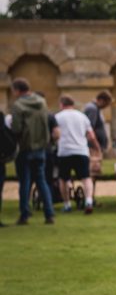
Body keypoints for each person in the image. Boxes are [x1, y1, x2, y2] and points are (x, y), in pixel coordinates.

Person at [9, 77, 55, 225]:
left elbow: (16, 128)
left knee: (25, 182)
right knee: (42, 181)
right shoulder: (42, 102)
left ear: (17, 90)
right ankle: (49, 214)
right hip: (41, 147)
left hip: (24, 148)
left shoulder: (18, 106)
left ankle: (25, 214)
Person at [54, 95, 99, 213]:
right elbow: (91, 136)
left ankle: (67, 204)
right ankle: (88, 201)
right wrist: (96, 148)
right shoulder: (82, 117)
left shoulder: (58, 117)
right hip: (81, 151)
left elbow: (55, 134)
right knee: (86, 178)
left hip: (64, 152)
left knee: (63, 179)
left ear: (62, 104)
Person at [82, 90, 112, 180]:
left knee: (96, 171)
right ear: (101, 100)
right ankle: (90, 192)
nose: (107, 106)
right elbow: (90, 129)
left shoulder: (96, 109)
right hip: (94, 147)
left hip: (96, 146)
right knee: (94, 170)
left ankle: (91, 191)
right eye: (107, 103)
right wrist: (97, 146)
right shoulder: (93, 109)